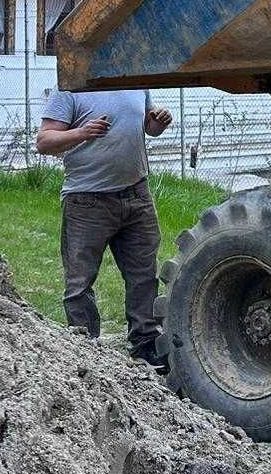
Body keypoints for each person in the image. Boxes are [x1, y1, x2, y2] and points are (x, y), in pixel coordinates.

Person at [36, 88, 173, 367]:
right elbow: (44, 141)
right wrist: (82, 133)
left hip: (136, 193)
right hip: (87, 200)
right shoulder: (71, 88)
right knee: (80, 282)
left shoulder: (134, 82)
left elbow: (148, 126)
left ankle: (145, 343)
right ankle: (87, 350)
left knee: (144, 275)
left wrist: (156, 123)